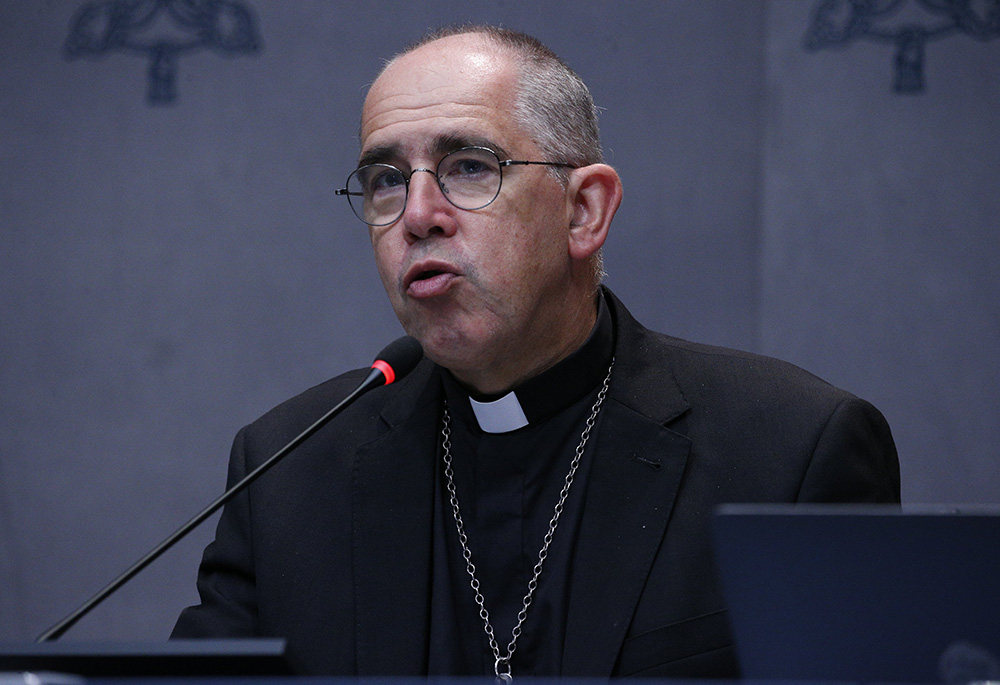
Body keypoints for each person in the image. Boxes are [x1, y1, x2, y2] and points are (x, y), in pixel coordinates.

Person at [172, 25, 900, 679]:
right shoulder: (288, 471)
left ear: (583, 211)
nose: (418, 216)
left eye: (467, 166)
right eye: (386, 180)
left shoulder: (789, 451)